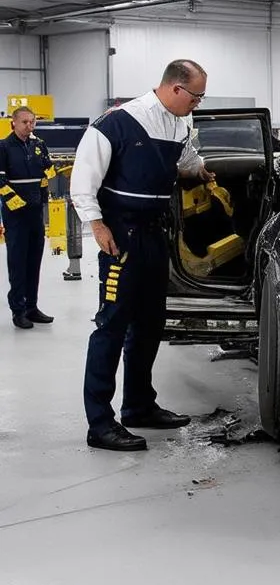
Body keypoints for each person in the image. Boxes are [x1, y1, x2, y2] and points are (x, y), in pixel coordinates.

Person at [70, 60, 215, 451]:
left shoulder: (181, 123)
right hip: (121, 235)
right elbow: (82, 181)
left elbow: (184, 163)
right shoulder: (117, 123)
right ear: (175, 89)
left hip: (154, 232)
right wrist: (97, 227)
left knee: (151, 323)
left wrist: (200, 171)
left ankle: (138, 405)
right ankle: (100, 424)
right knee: (112, 325)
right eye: (196, 96)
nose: (198, 104)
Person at [0, 106, 56, 328]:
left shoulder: (39, 145)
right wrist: (13, 201)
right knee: (18, 262)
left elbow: (47, 171)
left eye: (32, 122)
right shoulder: (4, 147)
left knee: (34, 261)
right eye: (24, 122)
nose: (29, 126)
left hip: (35, 213)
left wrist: (44, 195)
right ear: (13, 123)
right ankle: (18, 310)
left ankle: (32, 307)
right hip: (15, 215)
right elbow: (0, 180)